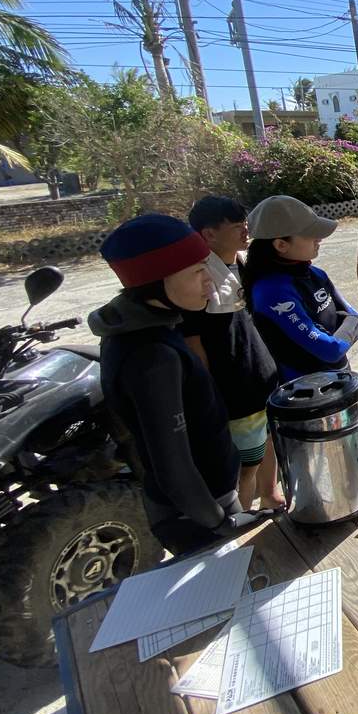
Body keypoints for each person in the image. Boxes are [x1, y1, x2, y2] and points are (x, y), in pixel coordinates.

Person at [90, 214, 269, 554]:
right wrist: (219, 522)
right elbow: (171, 464)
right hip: (196, 516)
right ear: (156, 282)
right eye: (198, 272)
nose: (211, 282)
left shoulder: (147, 330)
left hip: (206, 501)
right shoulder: (151, 357)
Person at [182, 196, 283, 511]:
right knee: (245, 467)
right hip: (235, 392)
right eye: (237, 227)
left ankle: (271, 495)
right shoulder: (200, 278)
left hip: (260, 383)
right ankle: (238, 524)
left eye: (246, 225)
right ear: (209, 234)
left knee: (269, 443)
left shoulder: (237, 264)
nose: (245, 233)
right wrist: (210, 393)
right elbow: (194, 343)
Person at [242, 195, 358, 381]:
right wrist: (347, 327)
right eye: (310, 234)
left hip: (340, 379)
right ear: (281, 245)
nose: (319, 239)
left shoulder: (315, 273)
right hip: (306, 394)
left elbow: (356, 317)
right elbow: (331, 349)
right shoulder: (271, 292)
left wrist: (346, 328)